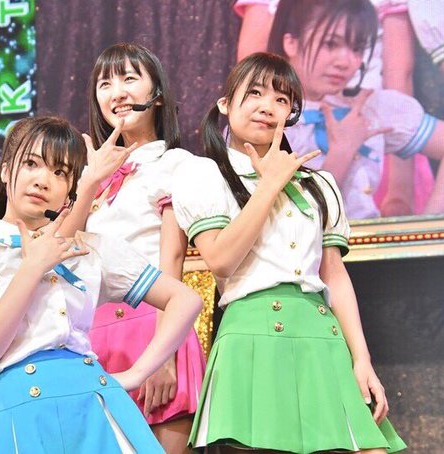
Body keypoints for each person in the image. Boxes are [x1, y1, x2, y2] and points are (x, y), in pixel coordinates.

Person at [0, 116, 203, 453]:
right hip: (20, 422)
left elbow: (185, 300)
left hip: (96, 413)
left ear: (69, 192)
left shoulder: (88, 249)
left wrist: (136, 374)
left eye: (60, 172)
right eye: (31, 164)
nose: (43, 181)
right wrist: (32, 268)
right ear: (6, 171)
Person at [173, 52, 406, 452]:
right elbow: (221, 261)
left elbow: (335, 276)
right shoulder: (203, 173)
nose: (267, 106)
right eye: (255, 93)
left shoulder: (320, 183)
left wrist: (362, 359)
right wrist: (268, 186)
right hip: (252, 339)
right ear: (225, 103)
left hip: (322, 336)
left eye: (281, 99)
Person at [58, 43, 206, 453]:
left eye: (129, 79)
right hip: (94, 337)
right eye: (105, 84)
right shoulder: (90, 177)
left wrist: (164, 357)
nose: (117, 92)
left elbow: (171, 257)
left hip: (154, 327)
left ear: (156, 94)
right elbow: (62, 250)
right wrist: (89, 182)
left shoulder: (175, 164)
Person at [234, 0, 435, 216]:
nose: (345, 62)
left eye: (357, 48)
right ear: (291, 42)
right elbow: (292, 220)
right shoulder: (262, 121)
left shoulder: (368, 109)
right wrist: (343, 151)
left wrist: (430, 224)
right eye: (330, 44)